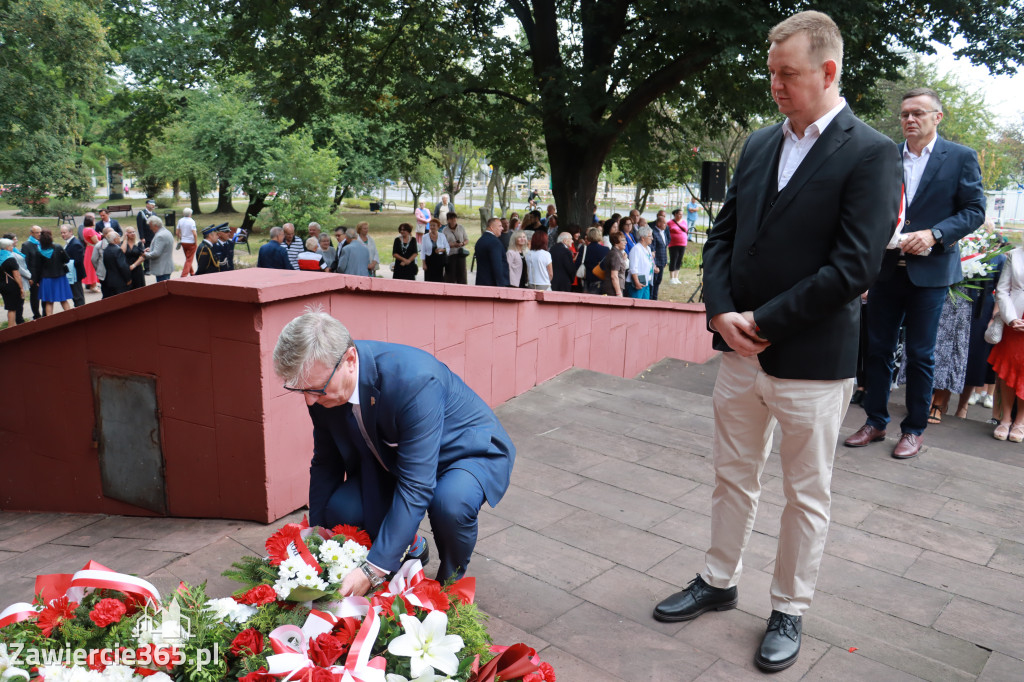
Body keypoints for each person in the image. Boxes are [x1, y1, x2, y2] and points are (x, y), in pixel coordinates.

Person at [652, 11, 902, 673]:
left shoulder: (872, 152)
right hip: (738, 354)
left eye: (787, 74)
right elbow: (725, 237)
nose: (775, 86)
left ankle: (789, 607)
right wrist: (720, 310)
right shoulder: (761, 143)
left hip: (813, 367)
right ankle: (717, 579)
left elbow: (855, 267)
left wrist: (760, 321)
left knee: (805, 493)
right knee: (731, 477)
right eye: (771, 73)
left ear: (827, 70)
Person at [272, 311, 516, 587]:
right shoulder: (322, 388)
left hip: (465, 452)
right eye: (301, 391)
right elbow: (326, 461)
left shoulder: (415, 381)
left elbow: (417, 484)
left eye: (317, 390)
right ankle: (410, 545)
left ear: (350, 360)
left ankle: (451, 584)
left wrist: (372, 570)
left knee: (449, 504)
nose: (310, 401)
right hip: (396, 459)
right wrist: (318, 531)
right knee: (340, 511)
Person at [846, 86, 986, 459]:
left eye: (918, 113)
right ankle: (875, 421)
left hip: (931, 273)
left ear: (937, 117)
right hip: (887, 270)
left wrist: (935, 234)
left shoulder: (959, 158)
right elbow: (866, 208)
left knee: (921, 354)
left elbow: (974, 210)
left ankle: (914, 430)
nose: (910, 119)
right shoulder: (884, 157)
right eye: (905, 113)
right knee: (877, 350)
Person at [989, 242, 1024, 441]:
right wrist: (1010, 318)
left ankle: (1020, 422)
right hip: (1014, 318)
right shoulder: (1015, 254)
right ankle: (1005, 419)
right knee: (1007, 370)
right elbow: (1002, 290)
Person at [33, 230, 73, 314]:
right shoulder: (58, 247)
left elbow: (37, 268)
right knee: (63, 300)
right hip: (60, 277)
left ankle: (49, 322)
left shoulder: (38, 251)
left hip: (46, 279)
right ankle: (71, 317)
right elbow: (67, 259)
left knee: (49, 302)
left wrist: (36, 280)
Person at [474, 217, 509, 287]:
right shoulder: (495, 242)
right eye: (500, 226)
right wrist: (501, 286)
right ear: (492, 227)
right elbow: (497, 265)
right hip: (493, 285)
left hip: (481, 282)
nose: (502, 228)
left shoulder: (480, 240)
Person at [575, 226, 609, 295]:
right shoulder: (606, 249)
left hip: (587, 279)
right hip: (600, 280)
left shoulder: (584, 249)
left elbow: (577, 264)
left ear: (588, 236)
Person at [0, 238, 25, 327]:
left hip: (2, 285)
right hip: (11, 285)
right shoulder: (10, 258)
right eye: (11, 245)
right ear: (7, 247)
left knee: (9, 306)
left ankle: (13, 325)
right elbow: (16, 275)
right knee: (12, 308)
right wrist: (21, 288)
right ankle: (11, 329)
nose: (12, 247)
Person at [60, 225, 86, 307]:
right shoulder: (70, 242)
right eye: (61, 233)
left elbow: (77, 261)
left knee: (77, 296)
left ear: (71, 232)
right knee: (76, 296)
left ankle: (81, 313)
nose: (63, 234)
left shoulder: (75, 244)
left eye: (64, 232)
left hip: (75, 274)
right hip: (73, 274)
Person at [101, 231, 131, 298]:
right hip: (120, 282)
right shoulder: (117, 250)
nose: (119, 238)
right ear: (115, 240)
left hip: (110, 280)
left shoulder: (106, 250)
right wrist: (128, 279)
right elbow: (123, 266)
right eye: (118, 237)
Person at [627, 225, 654, 299]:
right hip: (638, 282)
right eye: (650, 236)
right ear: (642, 237)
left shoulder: (648, 248)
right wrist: (636, 282)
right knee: (636, 304)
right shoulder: (636, 249)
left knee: (645, 306)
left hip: (646, 281)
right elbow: (633, 268)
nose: (652, 238)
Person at [22, 225, 43, 319]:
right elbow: (25, 263)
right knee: (35, 296)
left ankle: (46, 313)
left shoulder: (41, 243)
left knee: (44, 294)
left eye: (40, 232)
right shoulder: (26, 245)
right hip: (33, 275)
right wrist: (29, 277)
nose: (39, 234)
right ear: (31, 233)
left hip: (43, 274)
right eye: (37, 233)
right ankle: (36, 314)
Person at [146, 216, 175, 282]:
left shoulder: (160, 236)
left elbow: (156, 253)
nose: (150, 228)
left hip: (162, 269)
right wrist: (151, 249)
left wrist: (144, 255)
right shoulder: (166, 232)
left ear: (155, 225)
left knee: (162, 290)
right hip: (165, 267)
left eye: (150, 226)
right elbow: (163, 248)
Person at [442, 213, 469, 284]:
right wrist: (451, 244)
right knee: (450, 275)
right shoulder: (445, 230)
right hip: (451, 255)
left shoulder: (461, 227)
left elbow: (466, 240)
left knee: (462, 275)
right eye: (451, 218)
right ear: (448, 220)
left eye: (454, 218)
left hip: (460, 254)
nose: (453, 220)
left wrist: (462, 243)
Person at [600, 231, 628, 297]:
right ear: (616, 242)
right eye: (623, 240)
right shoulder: (615, 254)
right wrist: (618, 292)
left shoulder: (616, 253)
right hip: (613, 290)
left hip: (612, 288)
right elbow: (614, 276)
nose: (626, 242)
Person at [649, 213, 668, 299]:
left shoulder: (663, 232)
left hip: (662, 261)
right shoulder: (654, 232)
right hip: (656, 262)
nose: (666, 225)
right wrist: (654, 264)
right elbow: (653, 249)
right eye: (664, 223)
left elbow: (664, 247)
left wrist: (665, 260)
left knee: (658, 282)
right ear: (659, 223)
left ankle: (655, 298)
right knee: (654, 282)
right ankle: (652, 298)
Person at [667, 209, 688, 284]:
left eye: (682, 214)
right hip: (673, 244)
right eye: (679, 214)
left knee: (679, 260)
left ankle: (676, 277)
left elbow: (686, 230)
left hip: (683, 243)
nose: (680, 216)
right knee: (674, 259)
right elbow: (667, 232)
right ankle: (671, 277)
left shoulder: (684, 222)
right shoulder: (669, 222)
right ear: (675, 214)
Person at [176, 208, 198, 277]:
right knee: (189, 259)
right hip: (191, 242)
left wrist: (180, 238)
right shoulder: (192, 221)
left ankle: (192, 272)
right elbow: (194, 234)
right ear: (190, 214)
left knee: (188, 258)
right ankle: (184, 275)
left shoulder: (180, 221)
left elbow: (177, 232)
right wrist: (196, 242)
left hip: (183, 242)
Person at [136, 199, 157, 272]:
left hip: (153, 236)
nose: (153, 206)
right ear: (147, 205)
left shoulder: (154, 214)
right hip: (146, 236)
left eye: (153, 204)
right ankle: (147, 268)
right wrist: (142, 237)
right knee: (147, 252)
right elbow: (140, 226)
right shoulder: (142, 213)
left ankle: (152, 266)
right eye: (151, 204)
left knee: (153, 251)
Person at [81, 226, 101, 293]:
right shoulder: (90, 230)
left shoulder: (85, 229)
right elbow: (96, 241)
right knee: (92, 267)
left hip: (89, 248)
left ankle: (93, 284)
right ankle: (93, 285)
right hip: (92, 249)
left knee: (90, 267)